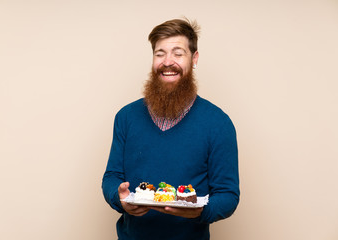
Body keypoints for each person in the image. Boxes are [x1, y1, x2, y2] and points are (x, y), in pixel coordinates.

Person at [102, 18, 240, 240]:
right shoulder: (126, 117)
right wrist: (120, 199)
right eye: (160, 53)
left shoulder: (218, 123)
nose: (168, 62)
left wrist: (201, 211)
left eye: (178, 53)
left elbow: (228, 195)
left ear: (194, 58)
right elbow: (112, 177)